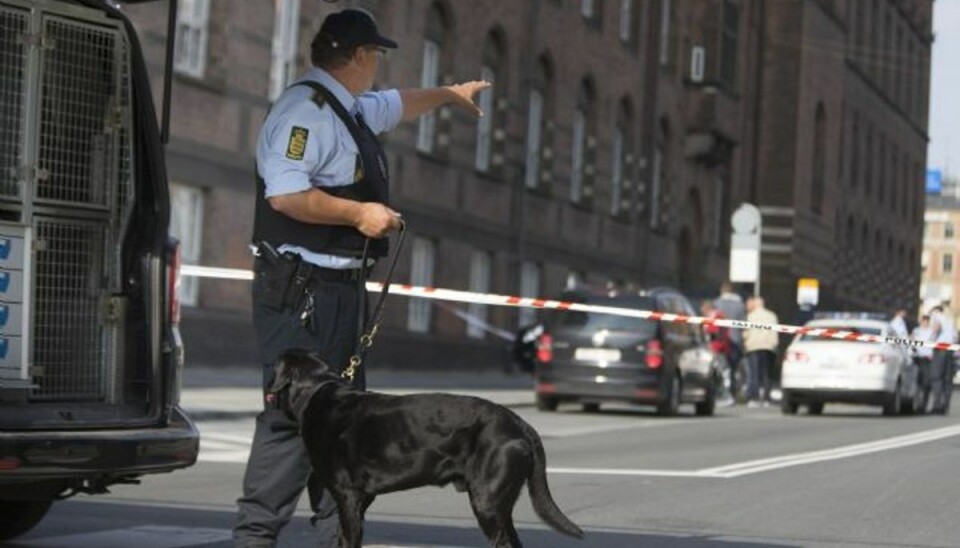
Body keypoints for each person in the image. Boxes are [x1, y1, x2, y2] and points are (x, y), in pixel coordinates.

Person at [234, 9, 490, 547]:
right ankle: (254, 539)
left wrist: (448, 94)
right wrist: (358, 214)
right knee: (290, 421)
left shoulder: (344, 108)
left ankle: (338, 541)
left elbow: (396, 104)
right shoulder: (305, 112)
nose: (377, 66)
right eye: (374, 55)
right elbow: (284, 193)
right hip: (303, 291)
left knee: (343, 423)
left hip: (338, 290)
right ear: (358, 56)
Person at [742, 295, 779, 407]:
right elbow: (775, 332)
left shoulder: (751, 316)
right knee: (767, 374)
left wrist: (745, 341)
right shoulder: (772, 315)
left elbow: (746, 332)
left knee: (754, 374)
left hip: (754, 347)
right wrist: (774, 346)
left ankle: (754, 398)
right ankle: (767, 398)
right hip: (768, 347)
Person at [714, 281, 746, 400]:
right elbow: (743, 323)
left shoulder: (716, 303)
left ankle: (722, 392)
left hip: (721, 340)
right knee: (733, 368)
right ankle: (732, 392)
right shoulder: (739, 305)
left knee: (722, 367)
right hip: (736, 339)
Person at [928, 305, 957, 415]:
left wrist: (930, 340)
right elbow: (955, 336)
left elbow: (936, 328)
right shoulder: (950, 319)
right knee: (947, 379)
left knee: (936, 377)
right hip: (950, 350)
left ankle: (937, 406)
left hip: (940, 349)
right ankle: (945, 406)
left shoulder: (937, 316)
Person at [911, 314, 934, 412]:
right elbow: (912, 341)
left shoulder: (932, 331)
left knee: (926, 383)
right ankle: (916, 404)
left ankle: (923, 405)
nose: (925, 323)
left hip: (928, 358)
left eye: (927, 321)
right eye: (923, 321)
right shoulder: (917, 330)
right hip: (918, 358)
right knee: (917, 382)